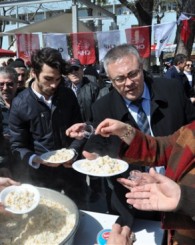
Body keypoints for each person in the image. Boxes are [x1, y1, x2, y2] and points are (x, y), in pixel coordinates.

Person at [79, 44, 195, 225]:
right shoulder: (102, 107)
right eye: (120, 79)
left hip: (181, 192)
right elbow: (100, 145)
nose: (129, 83)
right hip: (134, 198)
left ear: (142, 67)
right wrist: (91, 143)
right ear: (110, 79)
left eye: (133, 74)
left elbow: (188, 135)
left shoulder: (172, 90)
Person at [91, 117, 195, 245]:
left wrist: (185, 198)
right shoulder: (192, 129)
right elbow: (164, 148)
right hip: (175, 230)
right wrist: (126, 132)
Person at [9, 48, 87, 207]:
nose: (53, 84)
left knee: (82, 211)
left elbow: (80, 130)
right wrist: (35, 159)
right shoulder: (20, 104)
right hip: (41, 175)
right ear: (33, 73)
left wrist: (73, 151)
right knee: (50, 216)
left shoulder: (67, 95)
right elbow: (17, 145)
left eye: (58, 79)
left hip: (72, 170)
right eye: (48, 78)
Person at [0, 67, 18, 175]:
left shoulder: (26, 103)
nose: (5, 88)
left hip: (24, 158)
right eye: (1, 84)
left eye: (9, 84)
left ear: (16, 84)